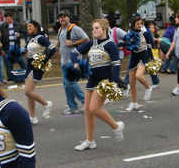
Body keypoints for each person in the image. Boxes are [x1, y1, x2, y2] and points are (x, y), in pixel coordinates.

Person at [71, 19, 125, 151]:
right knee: (88, 111)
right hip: (92, 80)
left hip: (104, 81)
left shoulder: (110, 45)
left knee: (94, 108)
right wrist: (76, 63)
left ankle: (116, 126)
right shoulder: (91, 44)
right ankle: (90, 141)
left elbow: (117, 65)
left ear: (104, 29)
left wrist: (112, 83)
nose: (94, 30)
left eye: (97, 28)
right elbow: (74, 53)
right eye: (93, 28)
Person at [23, 20, 55, 124]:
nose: (28, 28)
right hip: (29, 66)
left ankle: (46, 104)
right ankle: (32, 117)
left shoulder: (40, 38)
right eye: (27, 27)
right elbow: (24, 51)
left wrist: (44, 61)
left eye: (30, 26)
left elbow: (53, 48)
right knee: (29, 94)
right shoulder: (30, 39)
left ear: (36, 27)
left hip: (36, 66)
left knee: (27, 91)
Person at [56, 12, 88, 115]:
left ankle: (85, 101)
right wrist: (58, 44)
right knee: (66, 84)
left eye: (64, 16)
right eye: (60, 17)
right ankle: (72, 106)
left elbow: (86, 39)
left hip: (73, 60)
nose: (62, 19)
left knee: (70, 82)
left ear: (68, 18)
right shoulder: (60, 29)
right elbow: (61, 43)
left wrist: (73, 43)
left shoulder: (75, 28)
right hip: (64, 61)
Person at [124, 15, 155, 111]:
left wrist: (152, 59)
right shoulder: (130, 34)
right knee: (132, 83)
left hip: (143, 56)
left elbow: (149, 47)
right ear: (133, 24)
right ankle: (134, 103)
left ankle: (148, 87)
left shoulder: (145, 34)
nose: (139, 25)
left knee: (139, 76)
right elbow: (126, 44)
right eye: (137, 24)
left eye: (140, 23)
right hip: (133, 57)